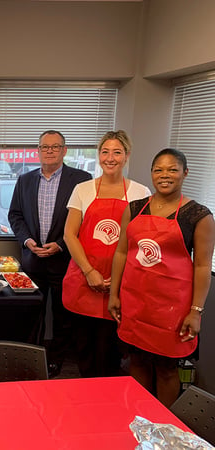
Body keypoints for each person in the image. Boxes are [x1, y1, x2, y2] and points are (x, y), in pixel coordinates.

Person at [108, 148, 214, 407]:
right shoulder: (134, 209)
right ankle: (138, 413)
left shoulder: (198, 215)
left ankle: (165, 423)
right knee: (137, 361)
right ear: (151, 173)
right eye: (158, 170)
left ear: (185, 173)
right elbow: (121, 252)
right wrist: (114, 294)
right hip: (135, 302)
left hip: (171, 309)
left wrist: (196, 311)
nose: (165, 175)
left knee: (167, 369)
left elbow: (201, 266)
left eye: (172, 169)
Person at [62, 130, 151, 377]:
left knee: (111, 351)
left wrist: (118, 280)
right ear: (98, 155)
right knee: (85, 350)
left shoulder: (140, 192)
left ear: (127, 156)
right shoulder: (83, 189)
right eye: (105, 151)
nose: (110, 158)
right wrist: (90, 272)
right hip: (84, 281)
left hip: (120, 285)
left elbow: (141, 239)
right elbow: (70, 235)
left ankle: (108, 405)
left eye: (117, 152)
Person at [8, 130, 92, 377]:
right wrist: (27, 241)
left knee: (63, 317)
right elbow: (15, 215)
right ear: (38, 150)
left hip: (65, 261)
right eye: (45, 147)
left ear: (65, 150)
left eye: (56, 147)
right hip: (32, 259)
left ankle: (55, 361)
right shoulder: (25, 180)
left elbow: (86, 220)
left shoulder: (82, 180)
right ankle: (29, 358)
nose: (50, 151)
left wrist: (61, 244)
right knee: (32, 313)